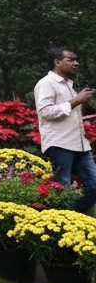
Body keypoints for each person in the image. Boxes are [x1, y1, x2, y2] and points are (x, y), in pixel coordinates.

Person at [35, 47, 96, 213]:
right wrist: (76, 101)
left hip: (80, 145)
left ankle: (68, 217)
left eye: (76, 60)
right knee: (64, 189)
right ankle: (60, 224)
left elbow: (67, 111)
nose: (76, 63)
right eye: (71, 59)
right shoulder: (46, 83)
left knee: (94, 185)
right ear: (57, 62)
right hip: (60, 144)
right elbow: (45, 111)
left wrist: (79, 102)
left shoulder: (69, 85)